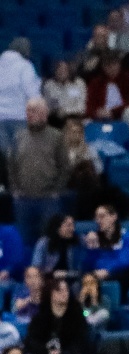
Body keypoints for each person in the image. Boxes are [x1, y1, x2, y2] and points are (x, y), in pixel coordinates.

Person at [6, 98, 69, 252]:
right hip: (23, 200)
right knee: (23, 241)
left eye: (33, 110)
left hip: (48, 199)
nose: (29, 114)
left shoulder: (56, 137)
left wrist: (57, 190)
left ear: (44, 114)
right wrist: (15, 189)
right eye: (28, 110)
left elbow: (65, 167)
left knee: (48, 241)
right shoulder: (18, 136)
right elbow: (11, 165)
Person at [24, 275, 92, 354]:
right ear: (50, 293)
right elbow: (31, 341)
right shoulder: (40, 316)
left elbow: (81, 341)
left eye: (66, 290)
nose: (64, 293)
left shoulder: (77, 315)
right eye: (59, 290)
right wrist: (48, 353)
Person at [0, 38, 42, 154]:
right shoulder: (25, 66)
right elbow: (32, 93)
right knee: (20, 155)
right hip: (19, 117)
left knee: (3, 157)